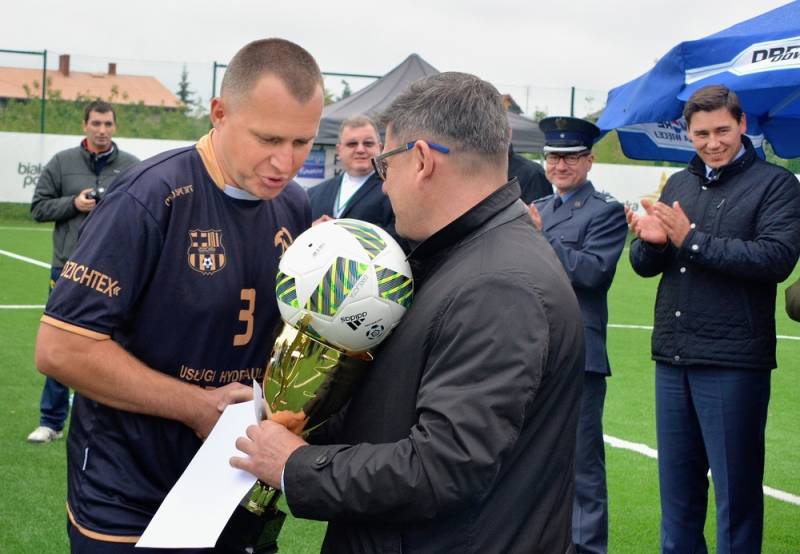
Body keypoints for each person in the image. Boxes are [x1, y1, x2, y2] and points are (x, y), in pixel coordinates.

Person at [231, 72, 586, 553]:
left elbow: (444, 467)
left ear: (420, 160)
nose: (384, 186)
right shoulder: (465, 255)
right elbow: (400, 407)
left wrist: (295, 466)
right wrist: (306, 417)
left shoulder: (498, 284)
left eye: (384, 165)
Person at [33, 38, 324, 551]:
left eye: (303, 142)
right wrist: (196, 406)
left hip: (231, 479)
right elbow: (61, 349)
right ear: (219, 113)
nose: (286, 161)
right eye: (269, 138)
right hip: (128, 487)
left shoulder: (294, 205)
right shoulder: (147, 197)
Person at [627, 84, 800, 553]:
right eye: (701, 134)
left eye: (722, 130)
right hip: (672, 356)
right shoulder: (679, 184)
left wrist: (692, 239)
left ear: (742, 125)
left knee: (735, 498)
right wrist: (651, 244)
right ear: (688, 133)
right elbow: (644, 265)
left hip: (733, 363)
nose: (713, 142)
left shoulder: (777, 185)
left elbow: (775, 258)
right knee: (677, 498)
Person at [528, 116, 627, 554]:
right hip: (531, 349)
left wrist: (539, 238)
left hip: (578, 353)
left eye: (570, 158)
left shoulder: (604, 211)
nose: (560, 166)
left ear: (589, 161)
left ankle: (587, 549)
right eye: (553, 158)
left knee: (582, 465)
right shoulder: (540, 207)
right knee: (533, 461)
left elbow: (592, 272)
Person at [27, 100, 139, 444]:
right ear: (85, 125)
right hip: (69, 269)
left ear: (115, 126)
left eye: (107, 124)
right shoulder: (62, 162)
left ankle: (107, 423)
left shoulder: (132, 166)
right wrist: (73, 204)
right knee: (61, 344)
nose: (102, 130)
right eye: (96, 123)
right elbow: (38, 208)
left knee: (117, 348)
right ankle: (50, 421)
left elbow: (145, 212)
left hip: (116, 271)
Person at [307, 115, 398, 236]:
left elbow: (402, 237)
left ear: (380, 148)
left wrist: (347, 232)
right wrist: (309, 230)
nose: (360, 149)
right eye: (352, 144)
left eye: (368, 143)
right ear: (339, 150)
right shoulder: (314, 194)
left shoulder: (394, 190)